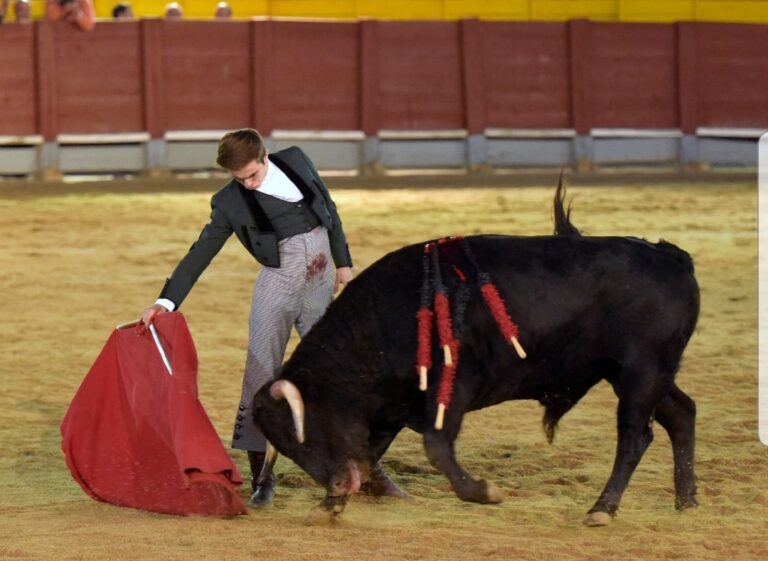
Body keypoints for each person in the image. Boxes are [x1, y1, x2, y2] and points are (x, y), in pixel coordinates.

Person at [140, 129, 354, 507]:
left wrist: (344, 263)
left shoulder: (298, 160)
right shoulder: (229, 202)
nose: (248, 185)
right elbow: (202, 250)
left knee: (341, 373)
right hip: (278, 288)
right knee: (260, 376)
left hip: (320, 283)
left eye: (252, 175)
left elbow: (329, 209)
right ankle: (262, 477)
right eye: (239, 179)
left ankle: (365, 467)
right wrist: (166, 301)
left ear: (266, 156)